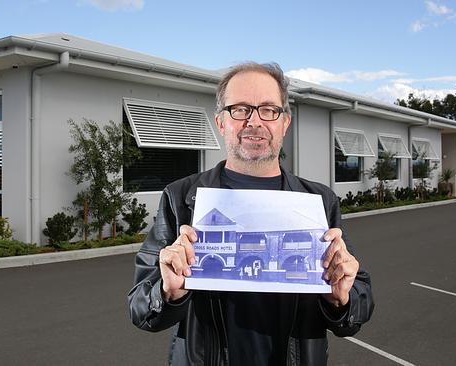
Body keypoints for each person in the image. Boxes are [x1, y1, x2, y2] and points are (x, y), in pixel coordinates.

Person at [128, 62, 374, 365]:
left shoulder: (319, 201)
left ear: (285, 122)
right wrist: (168, 293)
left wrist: (341, 299)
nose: (254, 122)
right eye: (240, 109)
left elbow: (358, 304)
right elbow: (140, 309)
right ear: (221, 122)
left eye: (269, 110)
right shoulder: (181, 199)